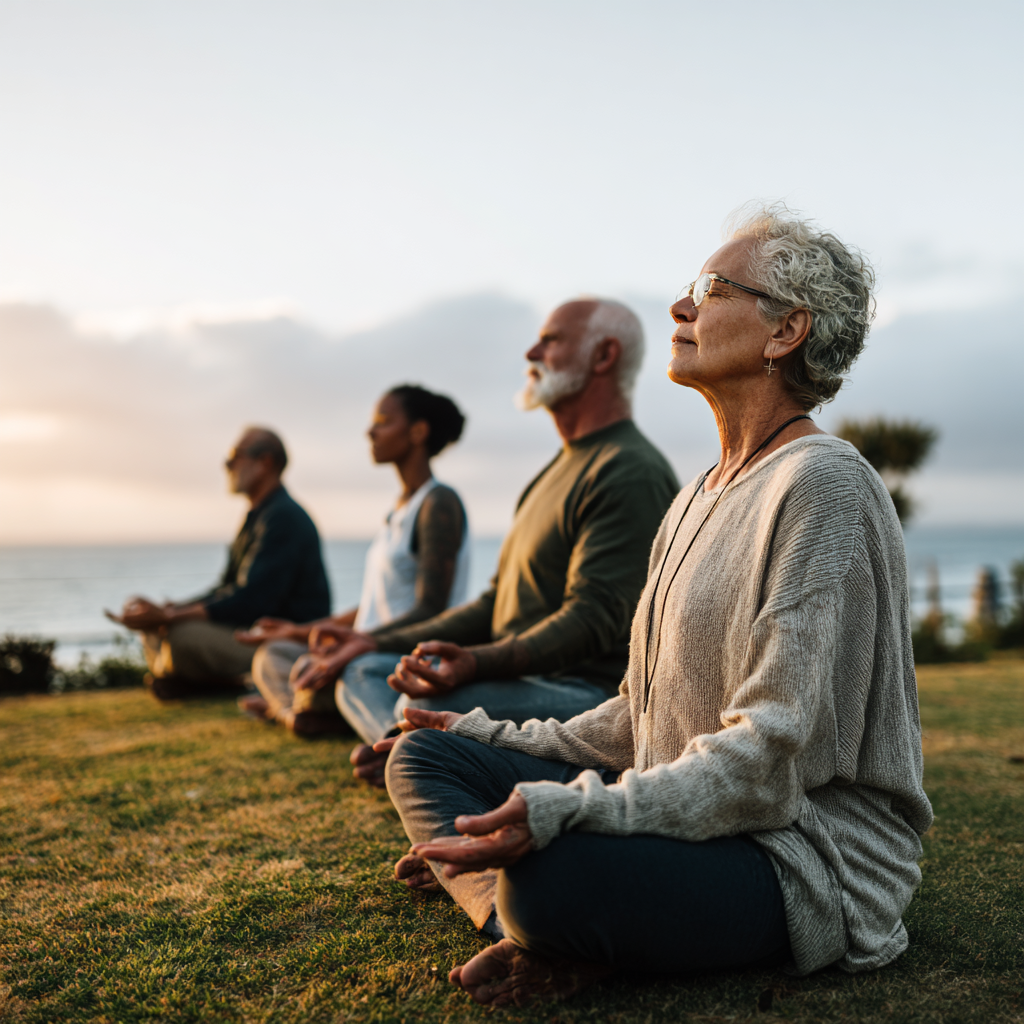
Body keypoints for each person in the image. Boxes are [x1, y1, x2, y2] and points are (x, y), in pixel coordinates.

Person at [382, 205, 934, 1007]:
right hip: (688, 809)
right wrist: (482, 733)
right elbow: (639, 715)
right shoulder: (693, 499)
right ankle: (523, 917)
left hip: (792, 854)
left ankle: (520, 911)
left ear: (786, 333)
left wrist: (576, 814)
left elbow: (770, 756)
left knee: (550, 877)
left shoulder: (824, 486)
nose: (681, 308)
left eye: (710, 290)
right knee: (425, 757)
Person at [308, 298, 679, 786]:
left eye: (550, 340)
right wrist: (369, 639)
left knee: (424, 702)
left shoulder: (628, 470)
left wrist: (476, 663)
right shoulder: (551, 474)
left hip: (583, 692)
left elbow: (593, 620)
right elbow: (493, 603)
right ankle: (419, 753)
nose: (531, 351)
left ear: (603, 356)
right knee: (364, 669)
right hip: (518, 679)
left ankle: (425, 754)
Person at [238, 385, 470, 736]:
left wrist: (352, 648)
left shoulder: (438, 503)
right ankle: (304, 713)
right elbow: (375, 605)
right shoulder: (398, 509)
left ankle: (404, 747)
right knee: (277, 654)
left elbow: (431, 609)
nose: (370, 431)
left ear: (418, 431)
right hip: (369, 648)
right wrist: (299, 630)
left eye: (384, 421)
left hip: (403, 657)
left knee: (344, 671)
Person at [109, 427, 331, 701]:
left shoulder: (283, 518)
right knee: (159, 628)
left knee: (181, 636)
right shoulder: (259, 516)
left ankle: (226, 685)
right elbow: (226, 588)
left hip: (283, 640)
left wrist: (172, 617)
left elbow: (253, 601)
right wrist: (169, 609)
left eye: (233, 458)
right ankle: (207, 683)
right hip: (249, 631)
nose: (227, 466)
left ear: (265, 463)